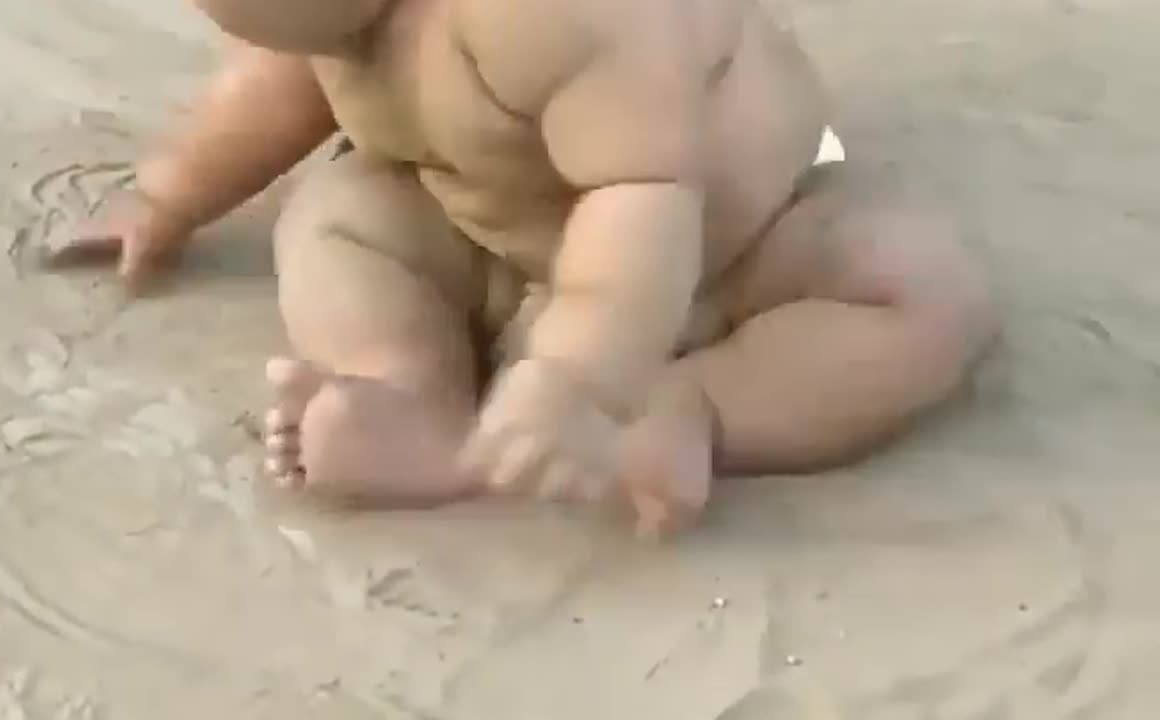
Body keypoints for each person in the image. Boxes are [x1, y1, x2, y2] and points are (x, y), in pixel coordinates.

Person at [57, 0, 996, 537]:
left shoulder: (552, 12)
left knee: (918, 291)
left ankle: (699, 404)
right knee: (337, 219)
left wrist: (583, 374)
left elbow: (645, 198)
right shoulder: (335, 20)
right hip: (494, 241)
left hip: (728, 257)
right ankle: (413, 395)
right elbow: (273, 87)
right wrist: (172, 197)